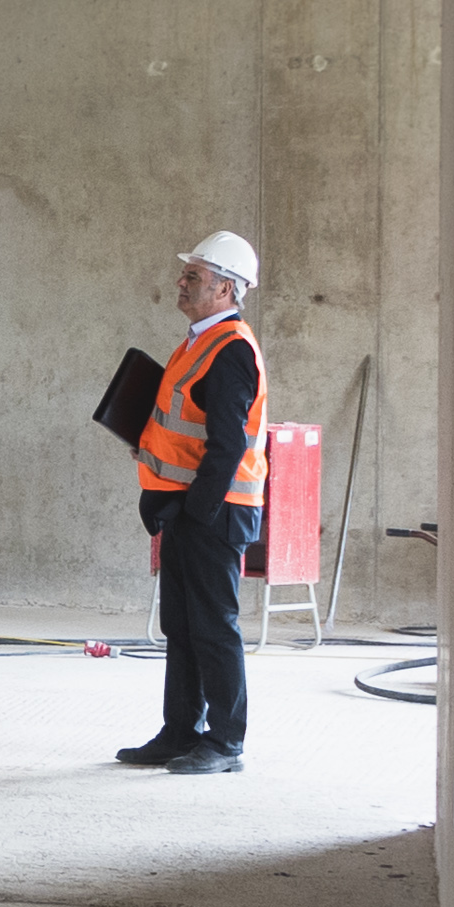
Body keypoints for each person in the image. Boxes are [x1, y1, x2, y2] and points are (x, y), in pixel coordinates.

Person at [117, 231, 267, 773]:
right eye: (185, 274)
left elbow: (228, 447)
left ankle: (226, 742)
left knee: (213, 626)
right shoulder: (196, 342)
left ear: (226, 288)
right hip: (188, 506)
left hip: (216, 510)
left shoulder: (229, 352)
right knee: (181, 627)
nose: (181, 283)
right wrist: (161, 497)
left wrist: (193, 510)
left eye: (195, 277)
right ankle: (180, 730)